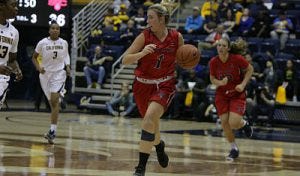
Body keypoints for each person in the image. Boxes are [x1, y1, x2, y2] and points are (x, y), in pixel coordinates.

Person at [122, 3, 184, 176]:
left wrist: (189, 61)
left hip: (165, 84)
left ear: (162, 19)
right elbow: (125, 60)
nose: (147, 21)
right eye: (147, 17)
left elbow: (183, 60)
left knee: (149, 119)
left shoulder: (176, 37)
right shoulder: (144, 36)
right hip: (142, 85)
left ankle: (140, 168)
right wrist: (142, 54)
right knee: (151, 126)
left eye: (151, 17)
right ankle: (159, 145)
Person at [209, 37, 253, 160]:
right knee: (224, 122)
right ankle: (234, 148)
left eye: (223, 45)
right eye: (218, 45)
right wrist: (220, 83)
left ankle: (244, 124)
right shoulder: (213, 61)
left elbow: (250, 69)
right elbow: (212, 79)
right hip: (222, 95)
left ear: (228, 48)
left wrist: (243, 84)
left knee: (233, 122)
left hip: (236, 94)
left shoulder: (237, 59)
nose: (220, 48)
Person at [32, 21, 71, 144]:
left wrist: (68, 66)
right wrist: (38, 68)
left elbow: (66, 55)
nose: (55, 30)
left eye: (57, 28)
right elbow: (34, 57)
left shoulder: (64, 42)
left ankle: (53, 131)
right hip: (45, 75)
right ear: (49, 30)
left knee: (54, 101)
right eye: (53, 28)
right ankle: (52, 131)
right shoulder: (42, 43)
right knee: (52, 103)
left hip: (59, 74)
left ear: (59, 31)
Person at [0, 0, 22, 109]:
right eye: (13, 5)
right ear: (2, 6)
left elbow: (12, 59)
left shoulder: (14, 32)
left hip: (1, 79)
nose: (16, 8)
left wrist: (16, 69)